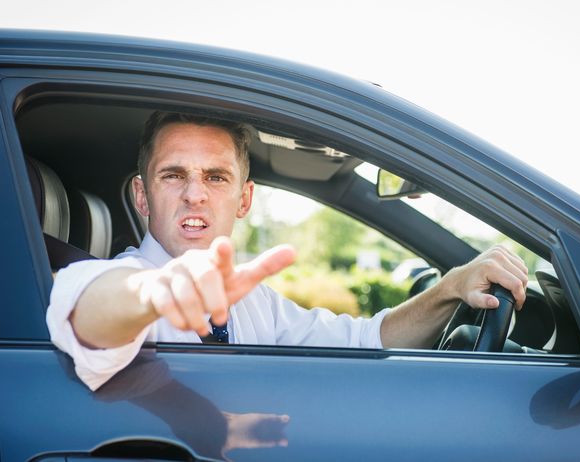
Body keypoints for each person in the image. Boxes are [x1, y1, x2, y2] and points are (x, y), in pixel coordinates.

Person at [47, 111, 528, 391]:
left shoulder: (254, 302)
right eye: (173, 175)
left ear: (245, 199)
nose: (195, 194)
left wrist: (448, 289)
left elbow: (366, 341)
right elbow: (85, 310)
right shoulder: (125, 281)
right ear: (141, 196)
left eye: (216, 177)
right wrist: (155, 292)